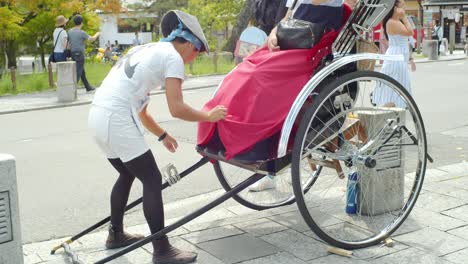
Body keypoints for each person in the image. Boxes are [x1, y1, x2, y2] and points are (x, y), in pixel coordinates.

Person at [88, 10, 227, 264]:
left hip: (98, 116)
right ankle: (162, 250)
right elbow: (177, 108)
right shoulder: (172, 56)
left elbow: (141, 111)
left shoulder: (147, 50)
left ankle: (115, 234)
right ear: (187, 42)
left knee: (128, 172)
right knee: (152, 178)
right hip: (116, 118)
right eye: (197, 51)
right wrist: (209, 116)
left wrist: (162, 135)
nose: (194, 58)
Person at [249, 0, 345, 191]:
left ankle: (271, 163)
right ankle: (262, 157)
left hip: (311, 50)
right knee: (248, 67)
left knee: (259, 76)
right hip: (290, 43)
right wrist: (274, 34)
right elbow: (286, 18)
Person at [372, 0, 413, 108]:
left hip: (398, 55)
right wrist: (404, 18)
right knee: (396, 86)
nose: (404, 10)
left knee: (398, 85)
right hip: (396, 57)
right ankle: (388, 109)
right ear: (394, 8)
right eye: (402, 7)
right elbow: (410, 32)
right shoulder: (392, 22)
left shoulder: (395, 21)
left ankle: (393, 109)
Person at [68, 15, 100, 92]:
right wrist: (97, 34)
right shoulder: (82, 33)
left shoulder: (70, 31)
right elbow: (91, 39)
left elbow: (68, 43)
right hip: (79, 53)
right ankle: (71, 89)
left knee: (81, 70)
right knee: (78, 71)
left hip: (72, 53)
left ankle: (87, 87)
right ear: (81, 23)